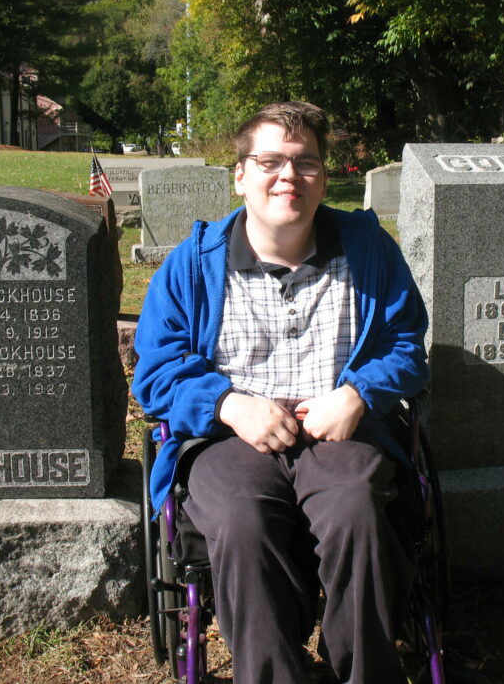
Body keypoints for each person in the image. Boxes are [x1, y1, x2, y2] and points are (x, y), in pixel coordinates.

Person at [132, 101, 428, 684]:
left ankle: (364, 671)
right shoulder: (193, 264)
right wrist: (227, 403)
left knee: (358, 510)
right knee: (241, 519)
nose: (288, 176)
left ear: (323, 177)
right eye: (270, 161)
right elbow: (156, 368)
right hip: (228, 438)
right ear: (241, 174)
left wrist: (360, 394)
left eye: (305, 163)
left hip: (337, 429)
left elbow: (406, 347)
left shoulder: (369, 253)